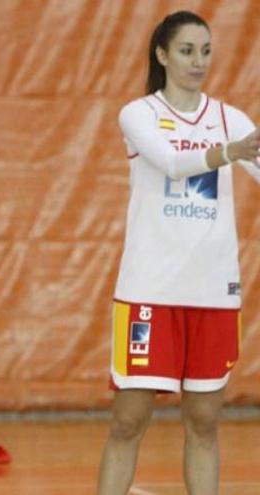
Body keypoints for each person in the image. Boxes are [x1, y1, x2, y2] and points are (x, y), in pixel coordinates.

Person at [98, 11, 260, 495]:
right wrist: (228, 153)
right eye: (187, 50)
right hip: (149, 289)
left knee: (205, 421)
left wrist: (233, 148)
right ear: (163, 55)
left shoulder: (232, 118)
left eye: (206, 51)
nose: (199, 61)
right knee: (129, 419)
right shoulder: (139, 113)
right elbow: (171, 163)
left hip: (213, 290)